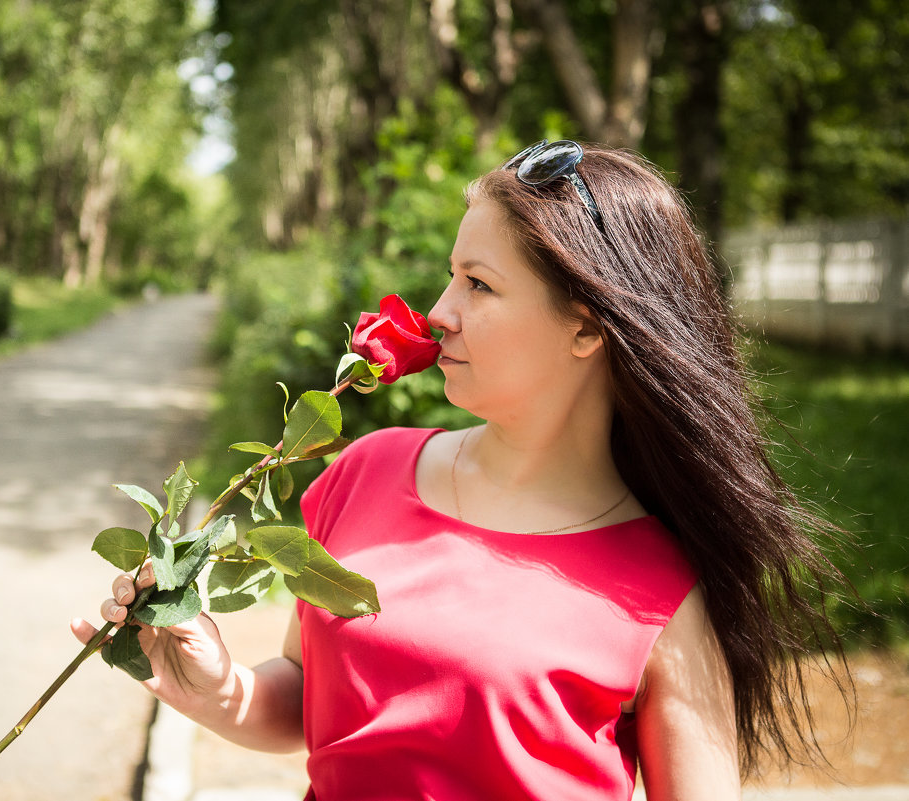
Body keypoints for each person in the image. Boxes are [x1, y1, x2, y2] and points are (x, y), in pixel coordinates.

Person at [71, 140, 851, 800]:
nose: (439, 310)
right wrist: (224, 691)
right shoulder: (362, 472)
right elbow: (317, 698)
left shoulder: (663, 592)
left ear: (585, 327)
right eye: (453, 274)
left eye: (478, 283)